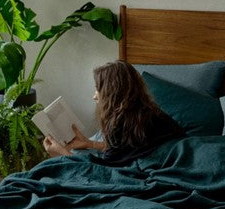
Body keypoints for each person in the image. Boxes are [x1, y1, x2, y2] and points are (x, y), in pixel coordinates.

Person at [43, 60, 186, 166]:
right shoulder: (147, 112)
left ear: (112, 93)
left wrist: (61, 153)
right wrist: (89, 143)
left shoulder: (122, 123)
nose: (94, 96)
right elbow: (128, 150)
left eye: (98, 90)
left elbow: (105, 172)